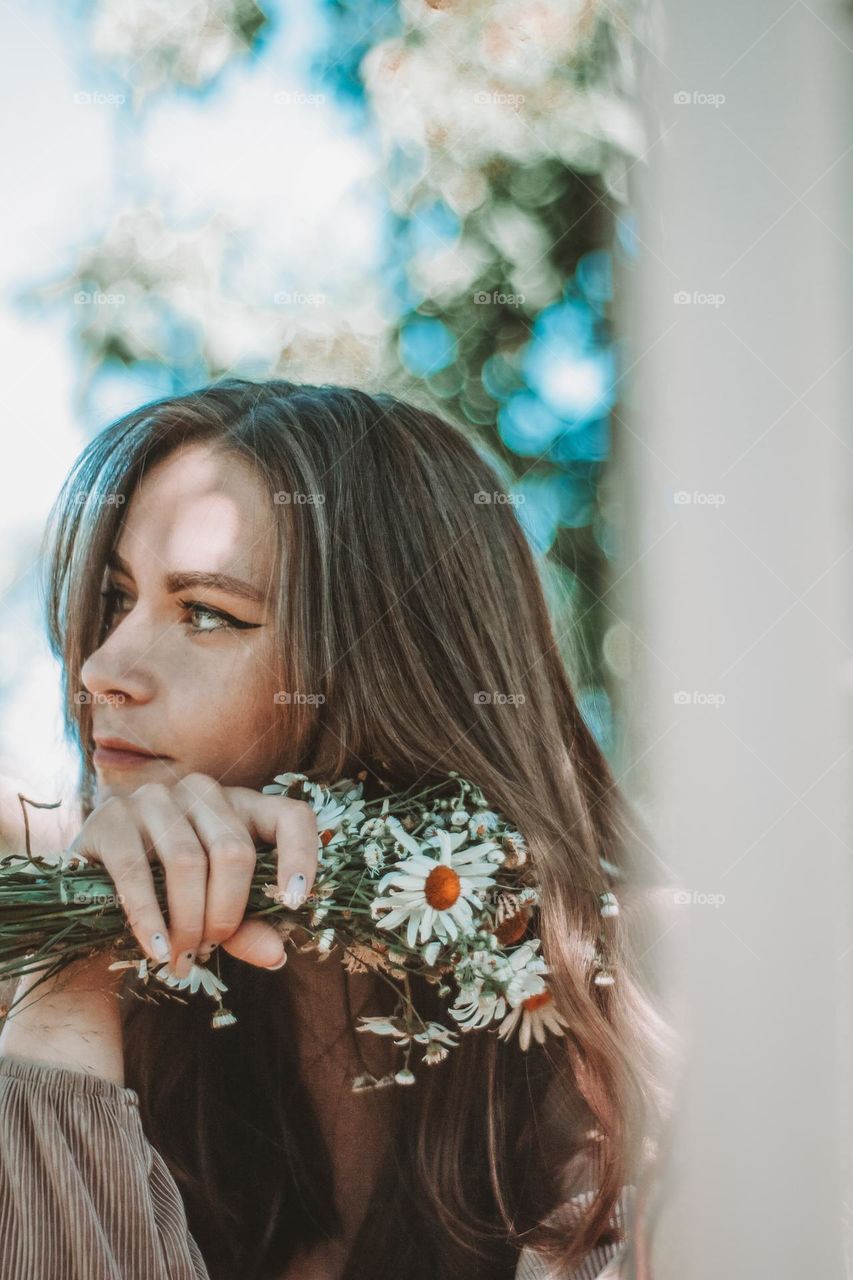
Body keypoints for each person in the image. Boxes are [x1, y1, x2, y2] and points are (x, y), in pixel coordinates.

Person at [0, 378, 670, 1279]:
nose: (102, 667)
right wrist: (67, 1009)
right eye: (116, 600)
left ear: (391, 667)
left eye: (206, 613)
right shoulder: (34, 1004)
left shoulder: (626, 1009)